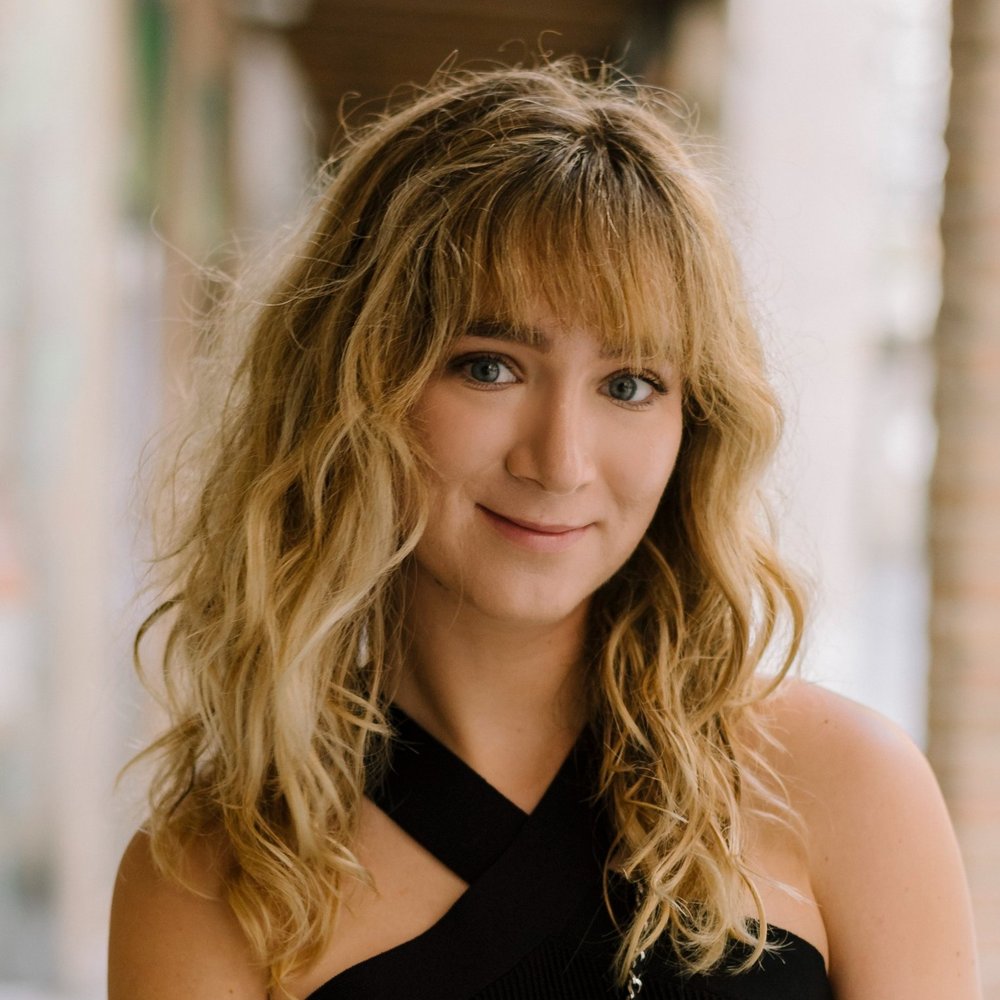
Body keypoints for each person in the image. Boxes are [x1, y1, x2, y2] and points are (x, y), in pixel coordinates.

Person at [108, 62, 980, 1000]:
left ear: (695, 429)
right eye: (489, 367)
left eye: (629, 385)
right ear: (352, 390)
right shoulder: (210, 880)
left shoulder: (844, 789)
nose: (560, 461)